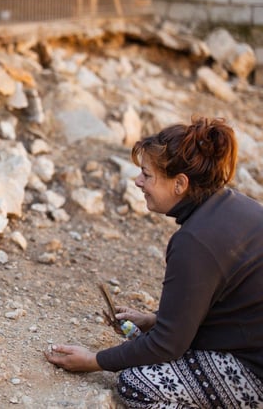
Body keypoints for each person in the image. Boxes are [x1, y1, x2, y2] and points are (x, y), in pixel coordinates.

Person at [45, 117, 263, 408]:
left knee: (136, 384)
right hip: (251, 346)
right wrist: (154, 321)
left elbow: (168, 345)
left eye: (146, 175)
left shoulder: (194, 241)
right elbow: (222, 304)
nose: (138, 182)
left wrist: (94, 360)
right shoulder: (234, 205)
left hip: (254, 375)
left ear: (180, 184)